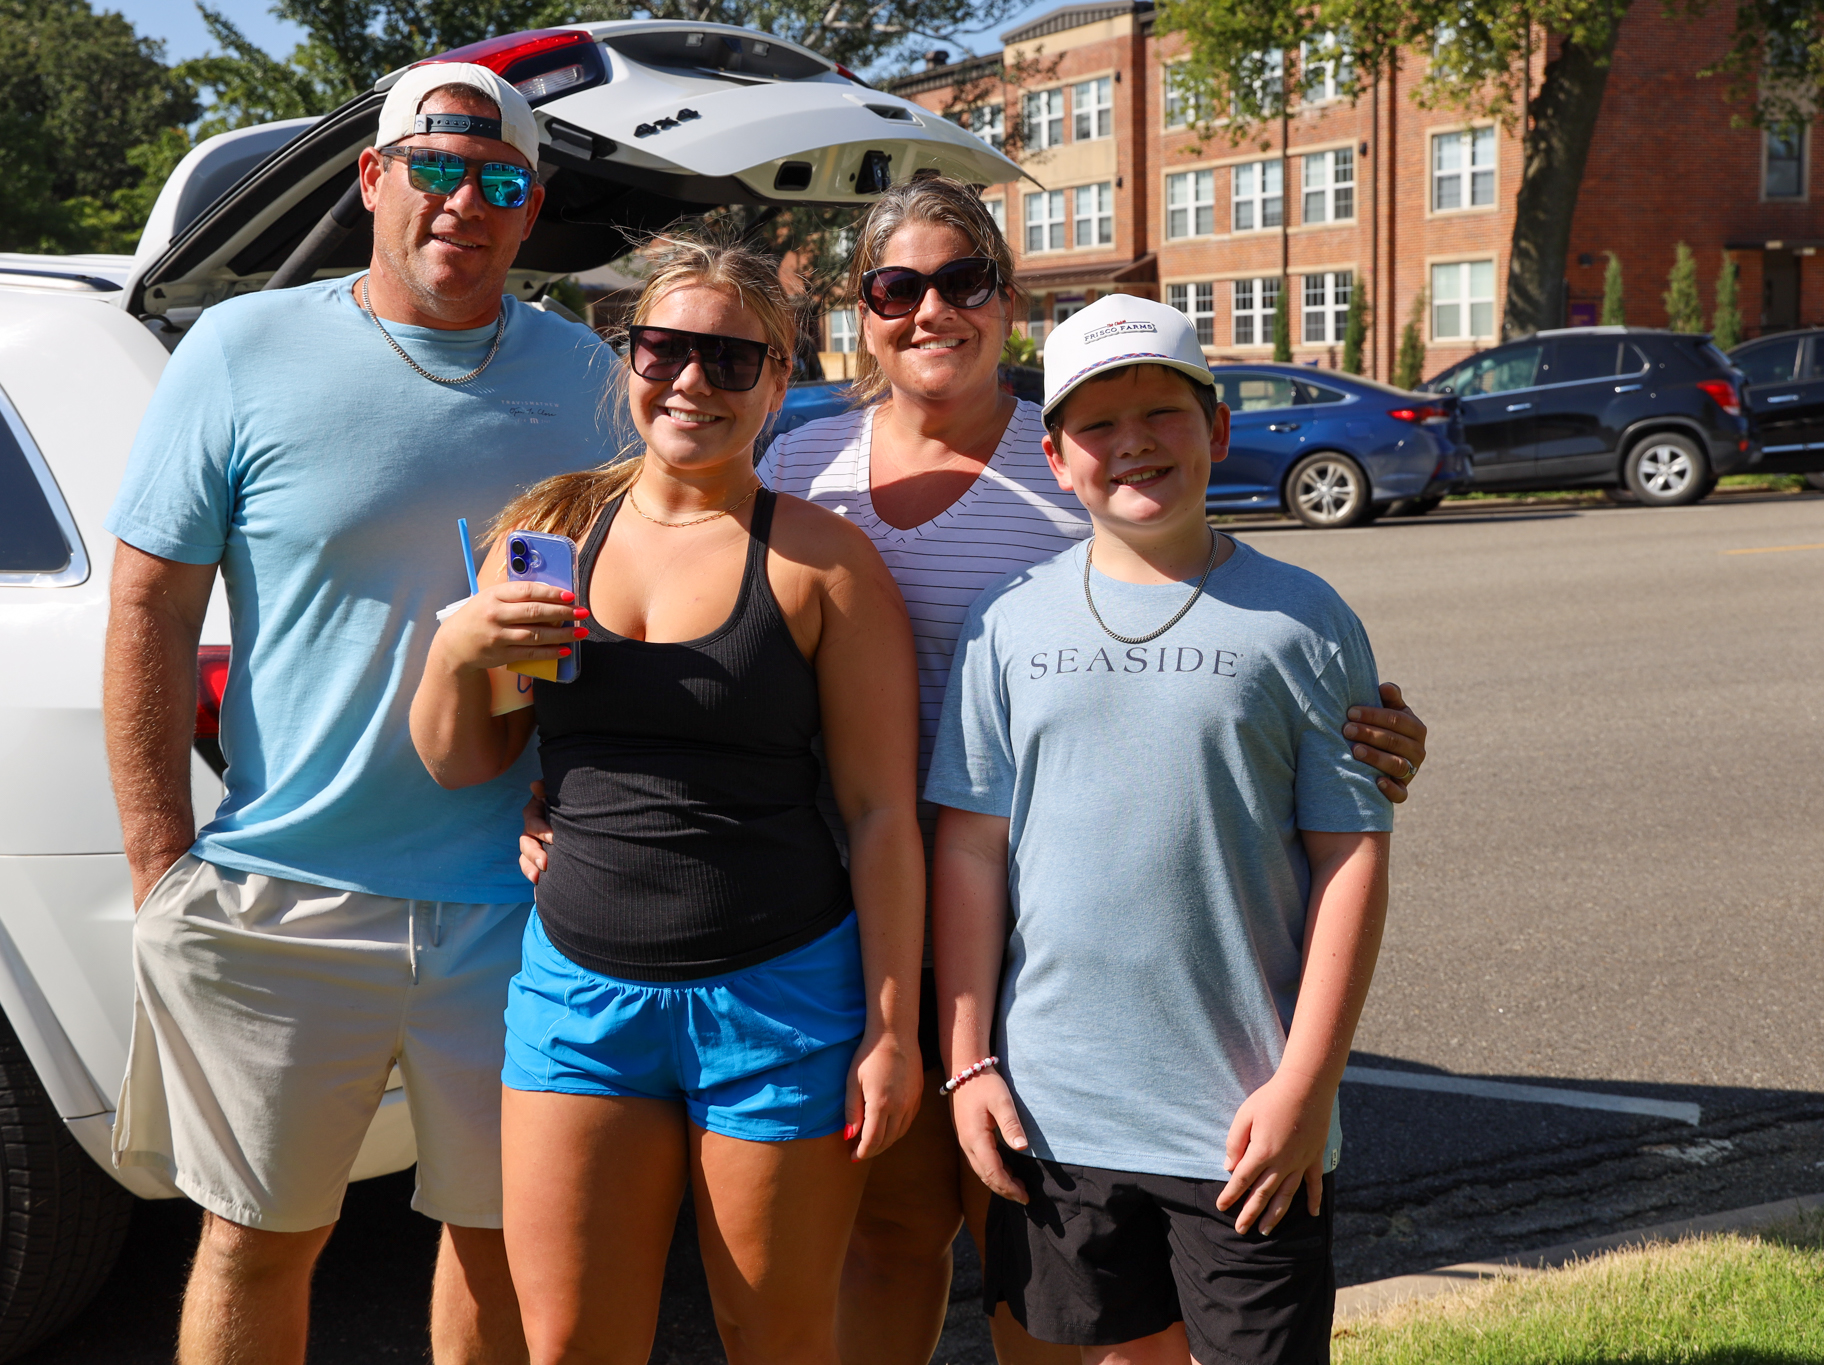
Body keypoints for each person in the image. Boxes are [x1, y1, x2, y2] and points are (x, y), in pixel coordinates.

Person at [521, 176, 1428, 1363]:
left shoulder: (1076, 454)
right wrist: (565, 798)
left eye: (961, 282)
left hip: (1054, 932)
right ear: (858, 311)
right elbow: (688, 648)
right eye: (895, 288)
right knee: (889, 1237)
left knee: (1028, 1253)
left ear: (1004, 300)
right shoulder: (802, 462)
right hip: (843, 920)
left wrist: (1373, 739)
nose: (928, 310)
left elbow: (1216, 631)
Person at [101, 61, 617, 1364]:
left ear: (530, 205)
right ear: (373, 179)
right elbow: (151, 607)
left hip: (516, 907)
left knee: (501, 1241)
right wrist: (162, 861)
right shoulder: (242, 350)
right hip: (286, 892)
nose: (464, 203)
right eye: (434, 168)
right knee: (260, 1240)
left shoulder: (594, 379)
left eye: (499, 181)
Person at [409, 232, 927, 1364]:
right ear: (627, 359)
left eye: (732, 362)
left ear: (780, 382)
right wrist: (455, 655)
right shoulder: (546, 544)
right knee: (571, 1345)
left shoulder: (820, 564)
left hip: (781, 1004)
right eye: (664, 350)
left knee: (774, 1338)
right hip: (578, 1007)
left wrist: (889, 1032)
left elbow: (881, 810)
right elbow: (465, 761)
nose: (692, 382)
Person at [932, 294, 1392, 1365]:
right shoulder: (1004, 623)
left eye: (1161, 413)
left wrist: (1305, 1086)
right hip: (1054, 1113)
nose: (1130, 442)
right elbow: (966, 848)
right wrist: (967, 1065)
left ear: (1218, 431)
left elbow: (1350, 856)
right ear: (1053, 456)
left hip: (1241, 1123)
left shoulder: (1301, 620)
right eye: (1095, 423)